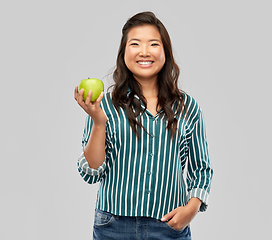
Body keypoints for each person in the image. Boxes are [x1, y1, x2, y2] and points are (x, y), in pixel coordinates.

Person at [74, 11, 213, 240]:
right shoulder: (104, 105)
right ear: (124, 52)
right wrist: (99, 122)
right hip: (113, 226)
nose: (144, 52)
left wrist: (191, 209)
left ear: (165, 52)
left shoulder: (188, 107)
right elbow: (91, 171)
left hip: (169, 227)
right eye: (135, 43)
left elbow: (201, 169)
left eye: (153, 44)